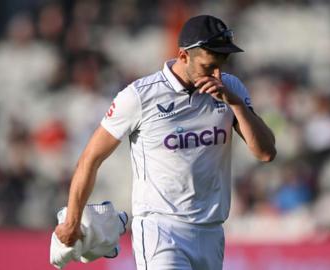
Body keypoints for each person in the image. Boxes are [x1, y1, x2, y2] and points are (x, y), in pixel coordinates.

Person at [55, 15, 277, 270]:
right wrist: (72, 220)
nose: (217, 74)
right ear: (183, 56)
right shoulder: (140, 96)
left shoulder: (230, 88)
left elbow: (266, 152)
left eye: (221, 65)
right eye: (208, 66)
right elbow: (89, 160)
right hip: (161, 229)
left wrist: (236, 103)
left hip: (212, 231)